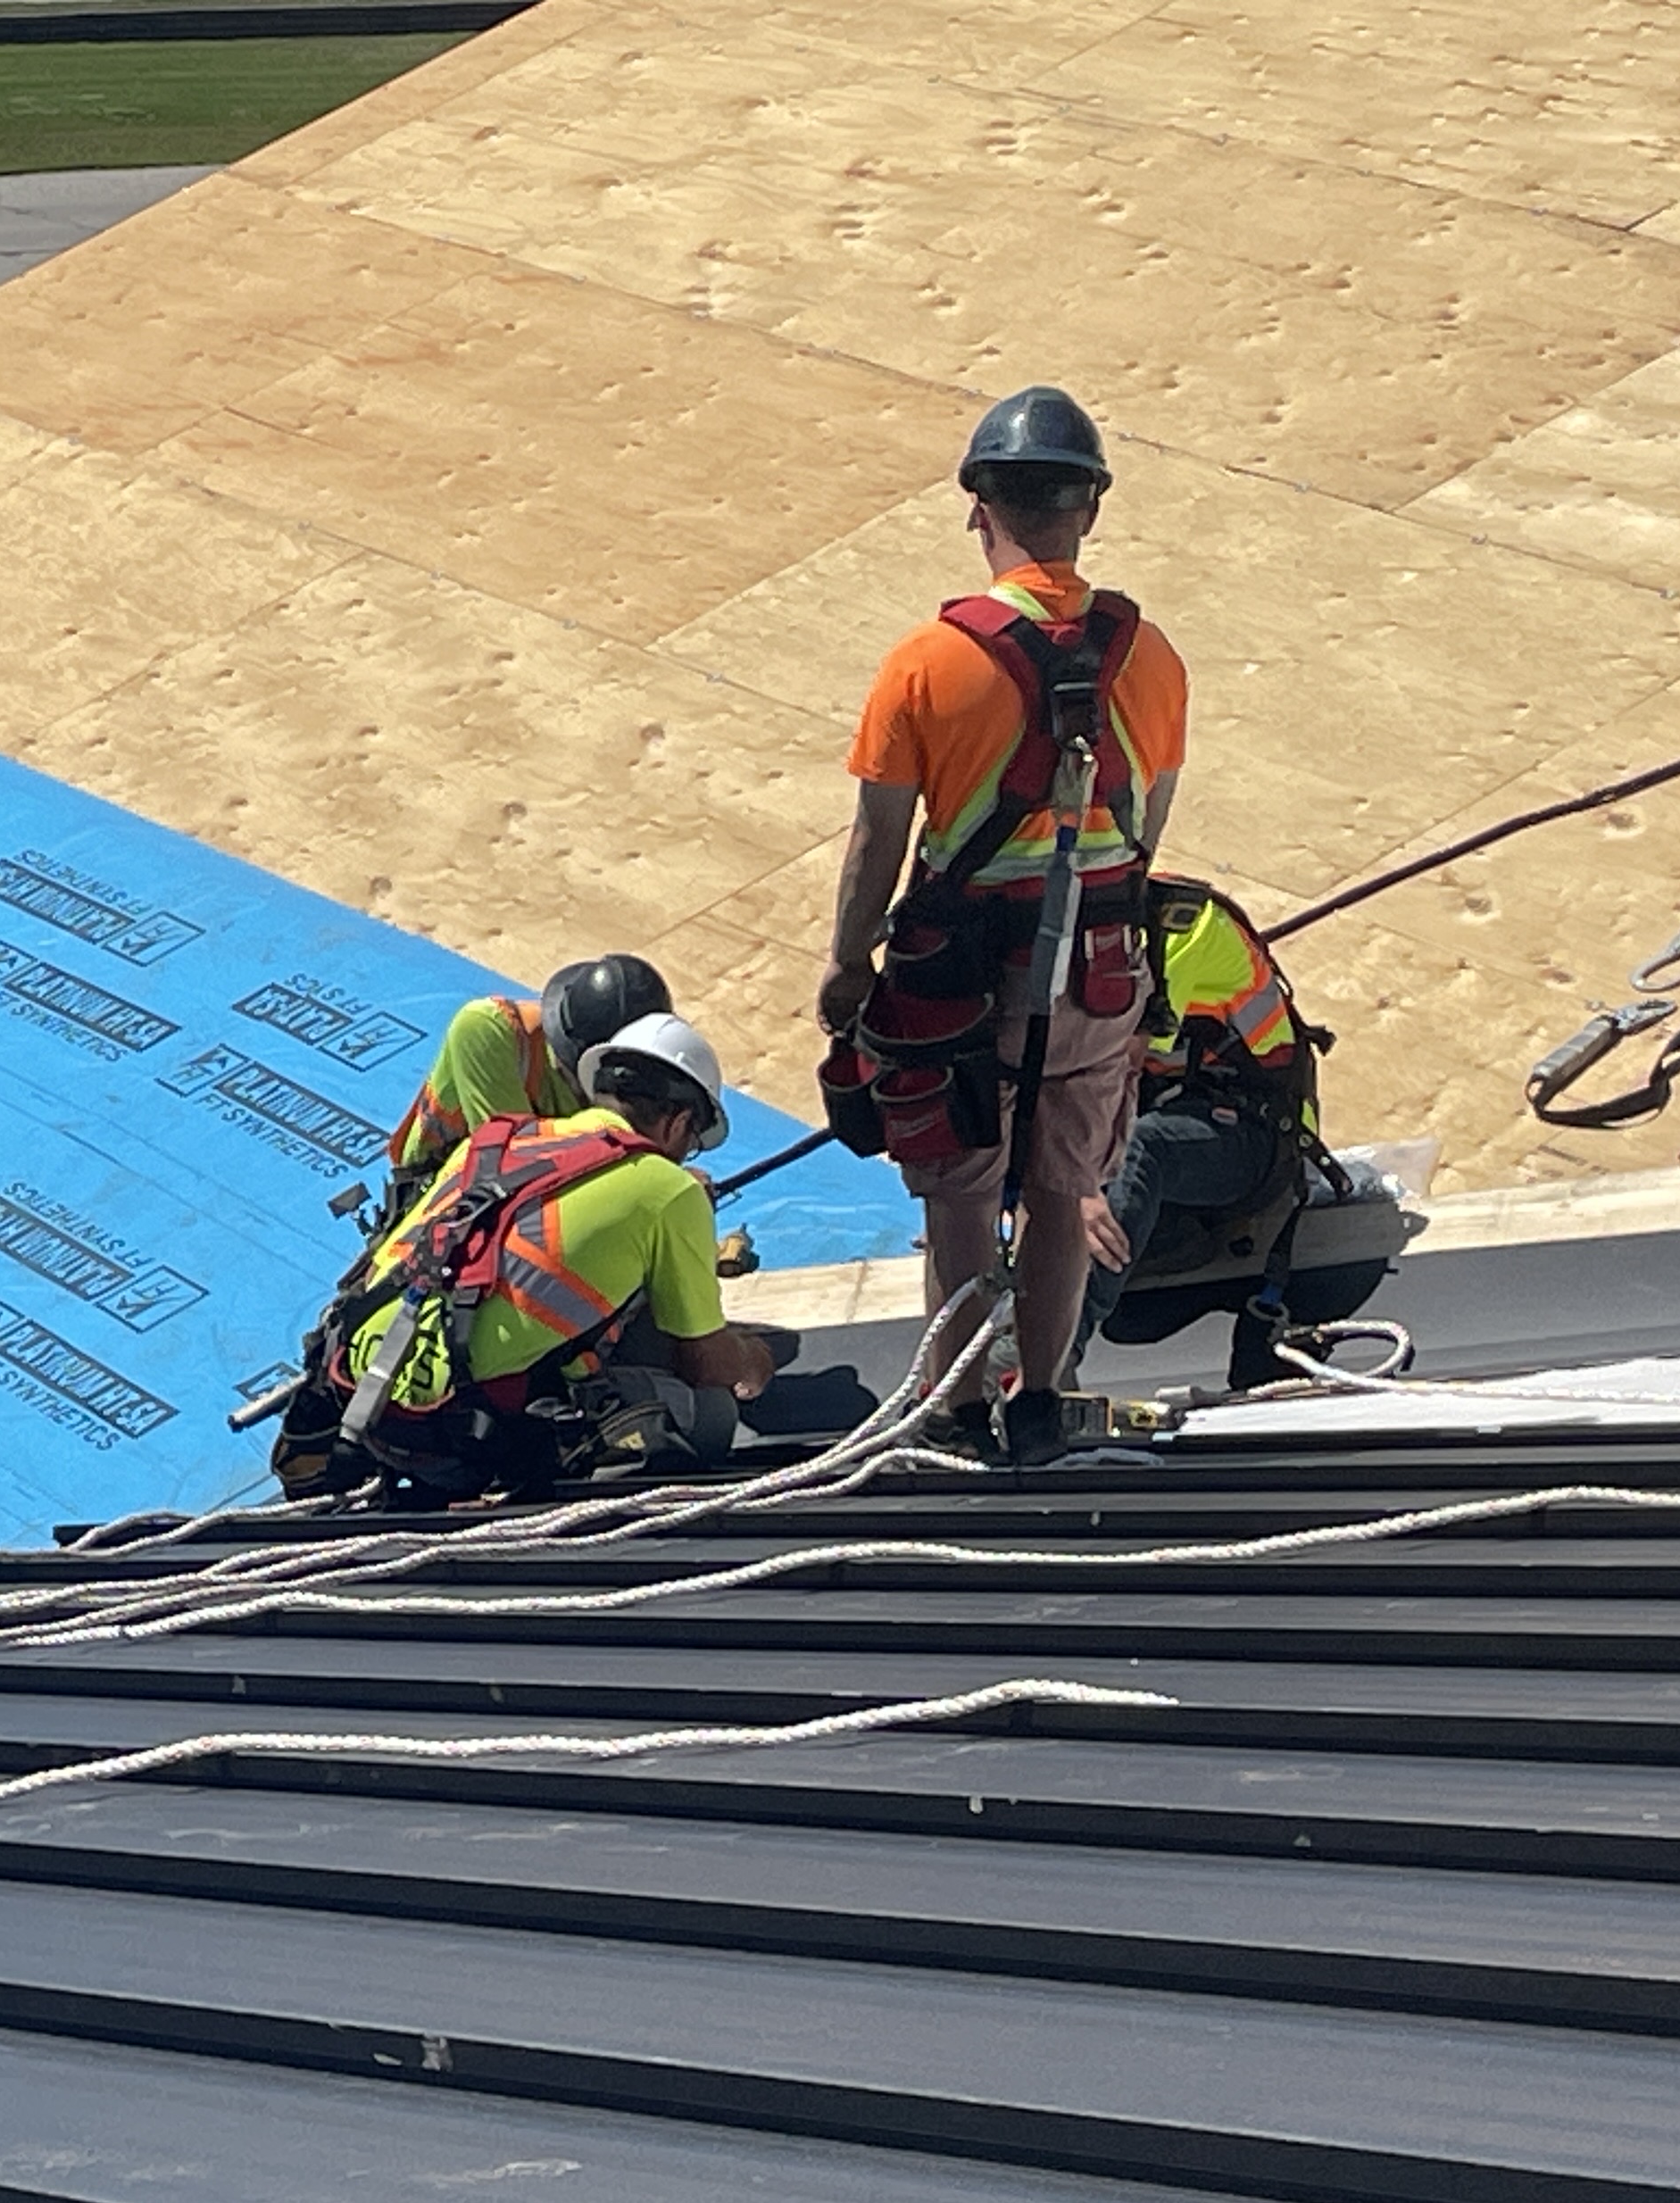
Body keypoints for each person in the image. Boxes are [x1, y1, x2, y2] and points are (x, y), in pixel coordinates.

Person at [813, 385, 1188, 1452]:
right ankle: (1041, 1403)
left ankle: (958, 1407)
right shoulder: (1150, 659)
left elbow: (877, 841)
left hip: (958, 986)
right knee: (1067, 1194)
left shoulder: (927, 665)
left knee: (963, 1208)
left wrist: (847, 966)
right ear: (1091, 513)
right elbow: (1146, 829)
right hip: (1097, 981)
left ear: (980, 506)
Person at [278, 1013, 776, 1500]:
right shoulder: (668, 1189)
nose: (686, 1156)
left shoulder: (498, 1140)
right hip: (454, 1434)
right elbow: (706, 1363)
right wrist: (754, 1359)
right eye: (692, 1142)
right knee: (712, 1414)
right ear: (680, 1121)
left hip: (355, 1400)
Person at [1075, 877, 1327, 1389]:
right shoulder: (1078, 931)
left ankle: (1050, 1348)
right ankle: (1166, 1237)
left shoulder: (1182, 932)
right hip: (1175, 1111)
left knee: (1138, 1150)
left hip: (1254, 1138)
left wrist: (1067, 1190)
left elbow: (1109, 1081)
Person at [380, 954, 670, 1217]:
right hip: (444, 1200)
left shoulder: (636, 1077)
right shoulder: (488, 1030)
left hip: (548, 1200)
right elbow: (515, 1168)